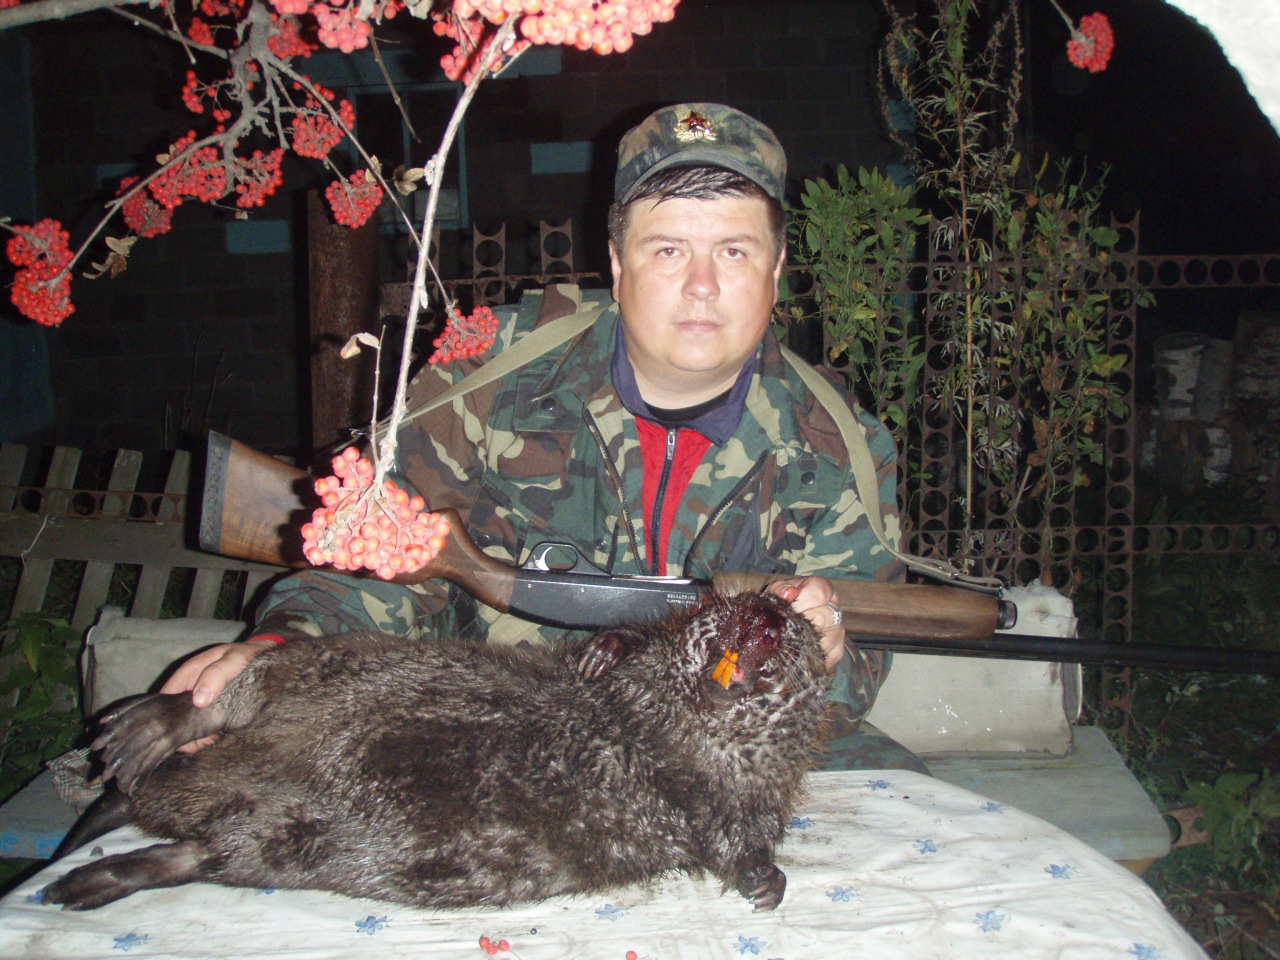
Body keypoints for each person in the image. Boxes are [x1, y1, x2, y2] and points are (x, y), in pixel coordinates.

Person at [165, 102, 925, 772]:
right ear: (617, 264)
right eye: (668, 249)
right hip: (499, 736)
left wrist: (817, 654)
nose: (703, 284)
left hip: (727, 749)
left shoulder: (839, 449)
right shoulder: (489, 376)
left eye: (735, 249)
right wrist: (275, 657)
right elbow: (378, 561)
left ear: (777, 267)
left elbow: (854, 673)